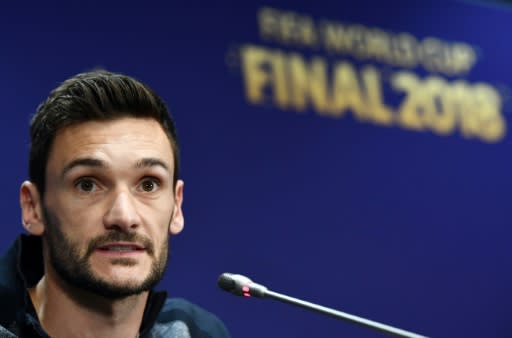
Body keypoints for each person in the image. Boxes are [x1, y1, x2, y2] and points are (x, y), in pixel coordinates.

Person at [0, 70, 231, 338]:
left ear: (176, 206)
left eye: (148, 184)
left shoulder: (197, 332)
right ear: (33, 207)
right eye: (87, 184)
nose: (124, 215)